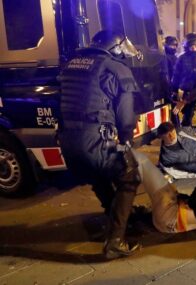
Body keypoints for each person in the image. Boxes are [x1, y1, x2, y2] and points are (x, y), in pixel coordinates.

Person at [57, 30, 142, 259]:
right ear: (115, 47)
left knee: (98, 175)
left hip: (68, 140)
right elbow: (125, 118)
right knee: (130, 176)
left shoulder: (72, 64)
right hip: (95, 138)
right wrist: (126, 142)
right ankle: (115, 241)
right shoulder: (116, 68)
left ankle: (113, 219)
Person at [171, 33, 196, 127]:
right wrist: (174, 90)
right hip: (188, 90)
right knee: (187, 115)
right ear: (187, 46)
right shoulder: (182, 58)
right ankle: (186, 133)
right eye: (191, 46)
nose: (193, 48)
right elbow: (176, 75)